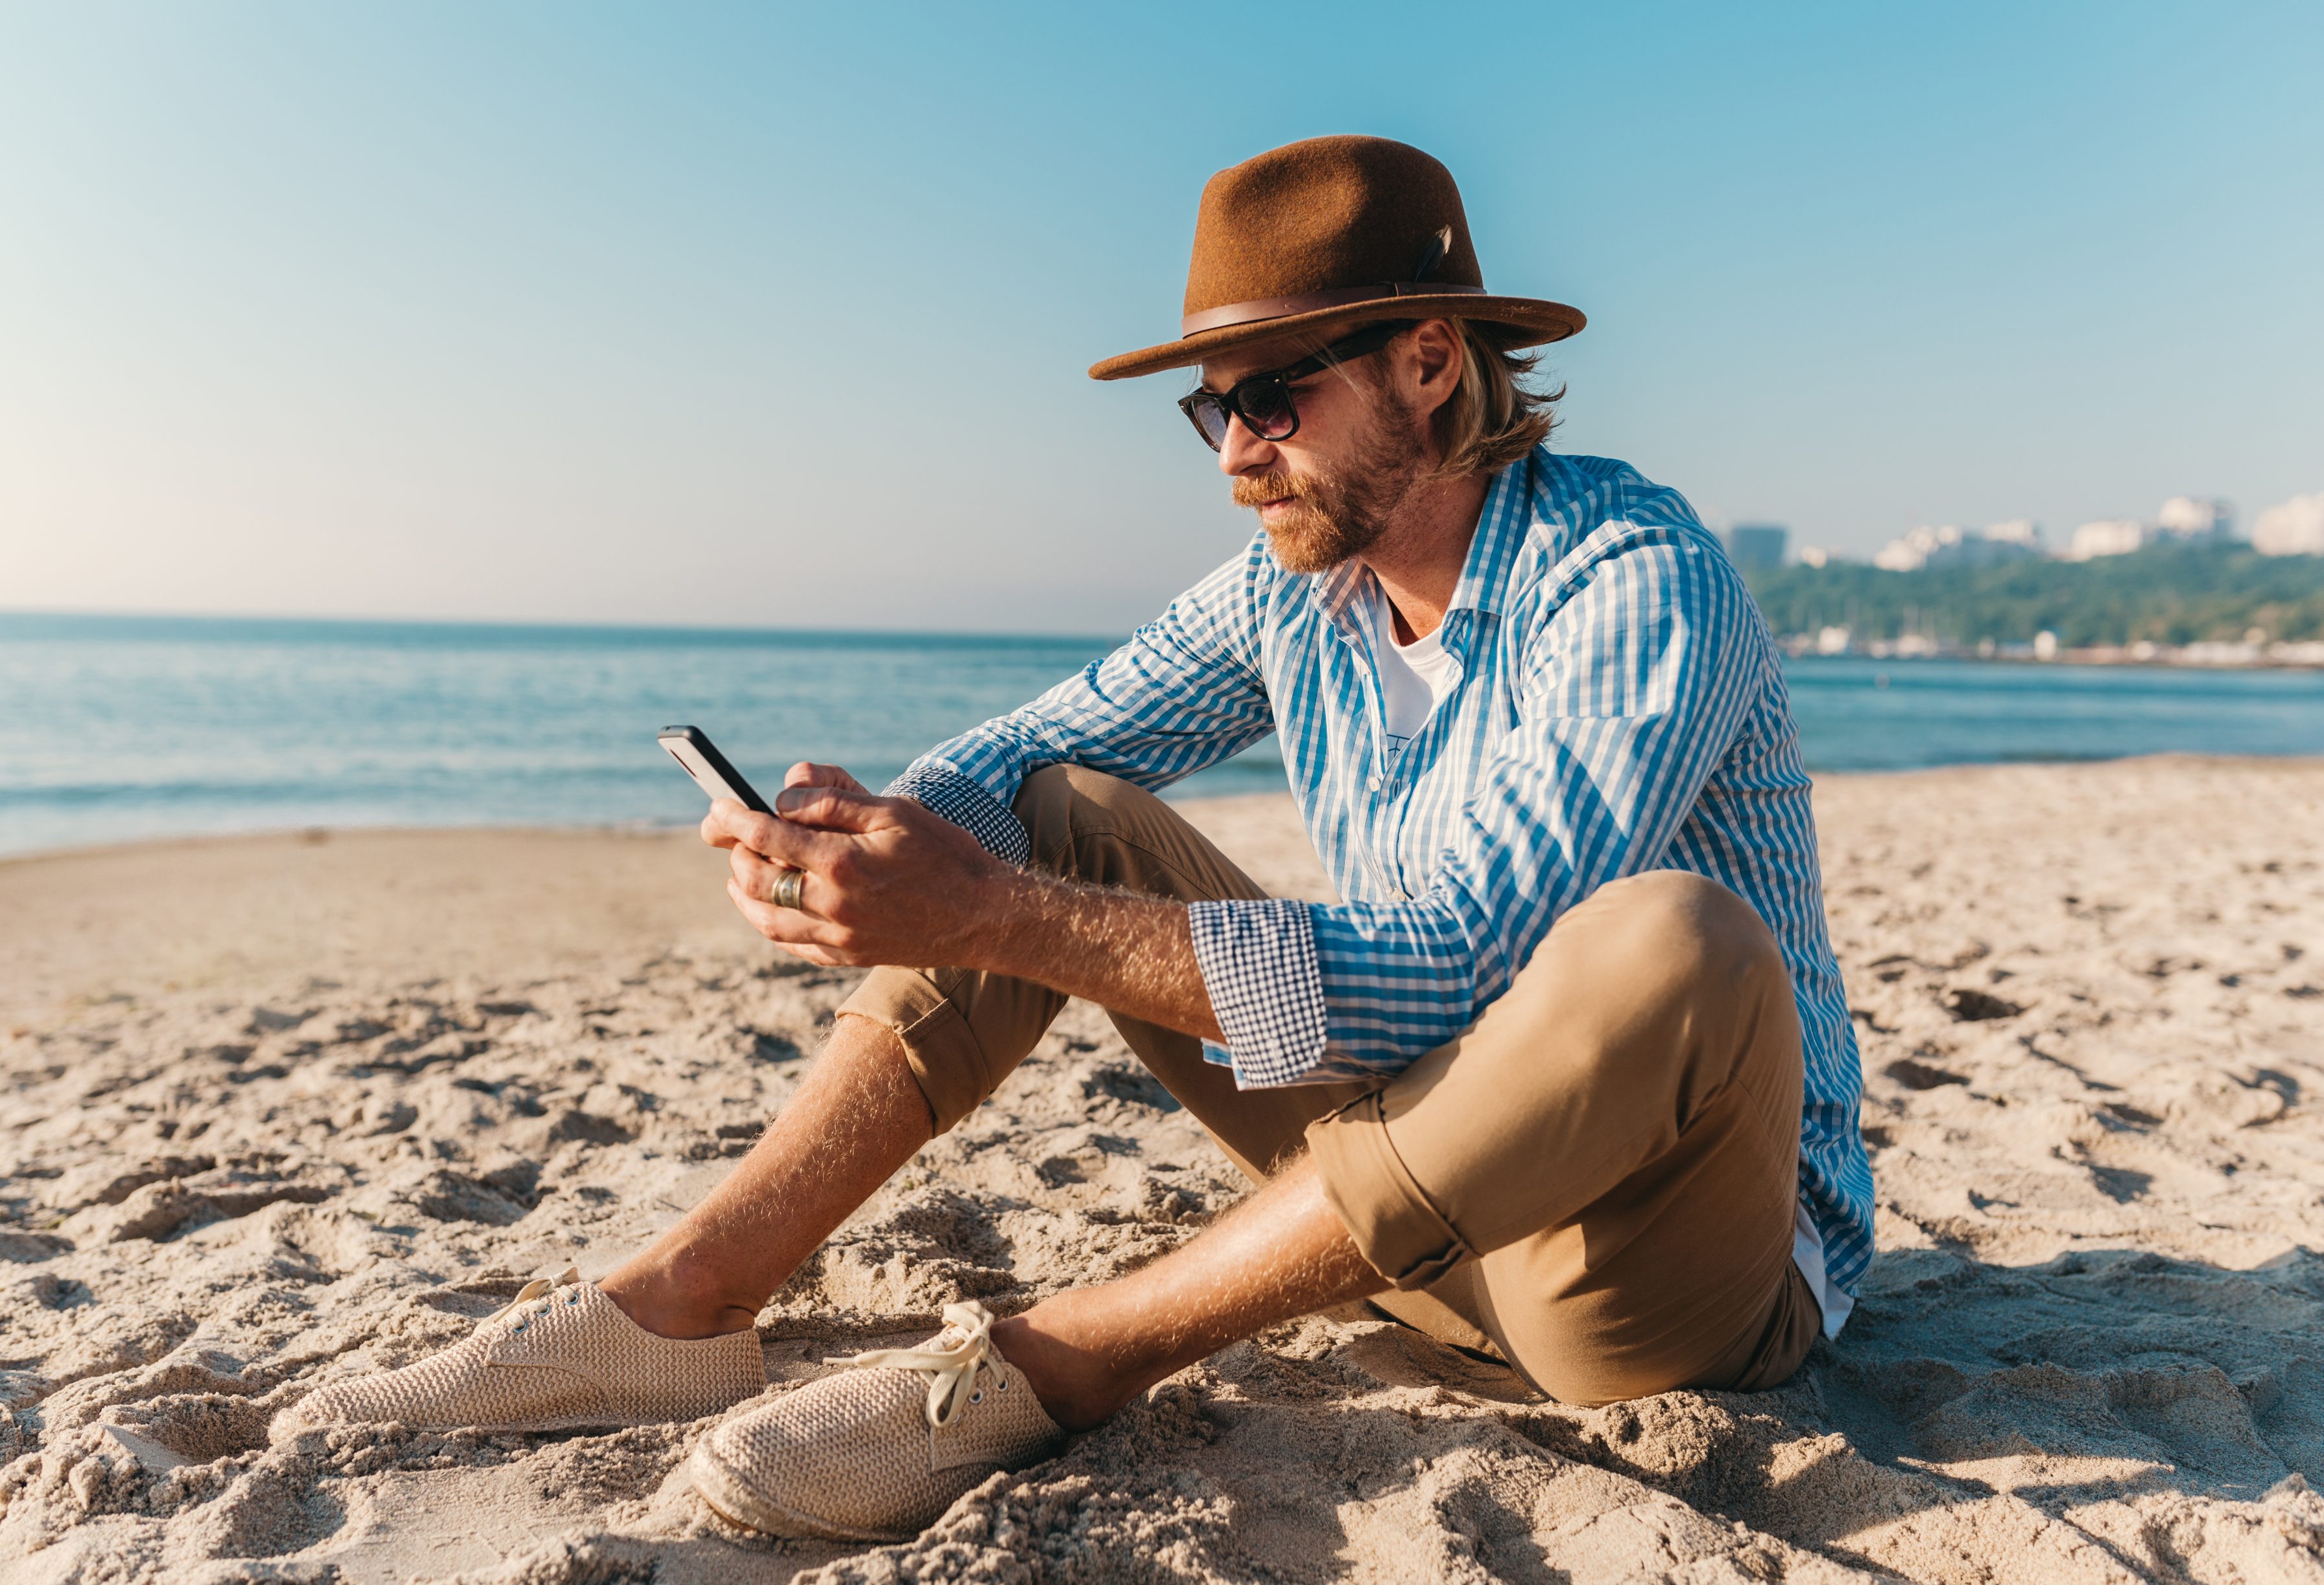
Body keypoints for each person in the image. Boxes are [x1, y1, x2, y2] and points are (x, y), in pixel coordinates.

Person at [275, 134, 1873, 1545]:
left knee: (1673, 940)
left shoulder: (1632, 577)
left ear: (1434, 364)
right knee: (1062, 818)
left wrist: (991, 915)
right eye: (1210, 413)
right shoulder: (1299, 588)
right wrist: (861, 844)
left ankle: (1073, 1354)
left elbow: (1465, 969)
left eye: (1270, 400)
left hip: (1642, 1285)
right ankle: (687, 1297)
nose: (1236, 454)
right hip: (1391, 1205)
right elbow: (1036, 750)